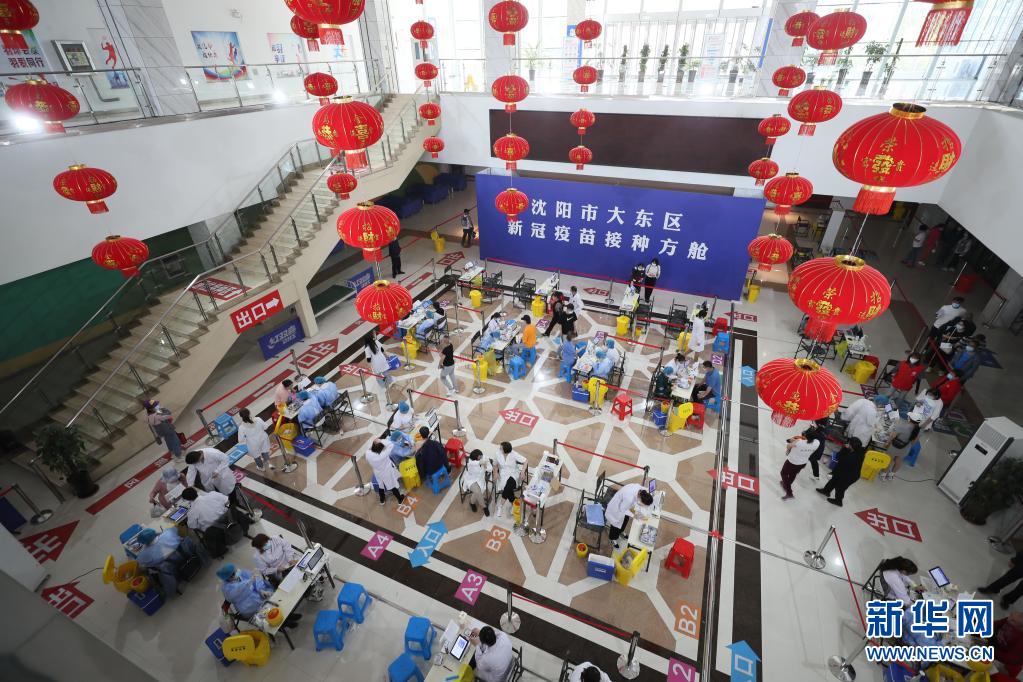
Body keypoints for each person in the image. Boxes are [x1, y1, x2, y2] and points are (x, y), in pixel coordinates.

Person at [217, 564, 302, 628]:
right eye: (233, 574)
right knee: (267, 612)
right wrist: (249, 583)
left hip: (258, 596)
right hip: (248, 607)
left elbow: (255, 582)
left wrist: (261, 590)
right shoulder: (227, 589)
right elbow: (240, 591)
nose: (236, 573)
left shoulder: (241, 574)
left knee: (275, 601)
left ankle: (288, 615)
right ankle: (283, 624)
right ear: (227, 578)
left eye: (235, 571)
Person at [135, 527, 209, 596]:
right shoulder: (168, 533)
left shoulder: (145, 554)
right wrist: (161, 534)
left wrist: (144, 549)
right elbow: (175, 529)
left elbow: (139, 562)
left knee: (149, 569)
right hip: (186, 555)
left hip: (172, 568)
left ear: (144, 543)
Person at [816, 437, 866, 506]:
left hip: (850, 476)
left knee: (840, 488)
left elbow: (838, 457)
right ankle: (826, 491)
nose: (847, 444)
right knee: (834, 480)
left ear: (852, 446)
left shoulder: (853, 457)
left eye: (849, 443)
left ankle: (838, 501)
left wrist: (844, 449)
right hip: (844, 471)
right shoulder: (858, 451)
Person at [604, 482, 655, 548]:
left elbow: (634, 502)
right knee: (615, 525)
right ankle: (612, 538)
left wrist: (636, 512)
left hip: (624, 504)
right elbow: (622, 509)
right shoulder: (629, 498)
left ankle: (620, 531)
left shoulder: (641, 490)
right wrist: (634, 516)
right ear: (640, 500)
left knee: (625, 521)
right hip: (617, 509)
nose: (642, 506)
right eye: (643, 504)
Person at [781, 429, 820, 500]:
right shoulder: (817, 443)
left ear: (805, 436)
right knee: (793, 474)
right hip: (803, 463)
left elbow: (788, 446)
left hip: (792, 461)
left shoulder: (799, 442)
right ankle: (786, 483)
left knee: (783, 473)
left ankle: (789, 493)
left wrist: (793, 440)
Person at [883, 412, 922, 481]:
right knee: (898, 462)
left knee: (889, 460)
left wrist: (887, 442)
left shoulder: (902, 427)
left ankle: (883, 474)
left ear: (909, 418)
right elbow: (913, 443)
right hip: (906, 449)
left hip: (894, 447)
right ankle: (891, 476)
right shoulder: (919, 431)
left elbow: (892, 436)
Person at [365, 439, 405, 506]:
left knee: (380, 485)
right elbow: (391, 444)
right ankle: (400, 499)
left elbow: (371, 449)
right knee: (392, 485)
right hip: (386, 472)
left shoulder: (368, 453)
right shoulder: (383, 454)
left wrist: (376, 443)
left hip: (377, 472)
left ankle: (382, 500)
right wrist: (380, 440)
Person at [492, 442, 526, 518]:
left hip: (514, 473)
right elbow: (495, 465)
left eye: (501, 448)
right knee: (508, 488)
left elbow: (525, 460)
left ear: (506, 450)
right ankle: (513, 503)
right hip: (503, 474)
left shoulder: (513, 454)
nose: (499, 449)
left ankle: (500, 506)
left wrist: (522, 472)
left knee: (508, 484)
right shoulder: (497, 454)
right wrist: (495, 473)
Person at [991, 613, 1023, 677]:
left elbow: (1010, 659)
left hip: (1006, 665)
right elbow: (994, 625)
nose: (1008, 620)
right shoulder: (1009, 620)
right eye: (1010, 616)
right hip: (997, 649)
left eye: (1012, 621)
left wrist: (991, 651)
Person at [463, 449, 490, 516]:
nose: (481, 457)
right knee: (478, 491)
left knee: (477, 492)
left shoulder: (484, 457)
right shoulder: (471, 462)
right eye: (480, 456)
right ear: (476, 457)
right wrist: (480, 463)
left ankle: (472, 502)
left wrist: (486, 467)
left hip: (480, 480)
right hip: (471, 479)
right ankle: (484, 506)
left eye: (481, 456)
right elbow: (473, 463)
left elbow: (490, 469)